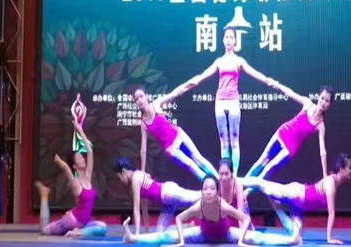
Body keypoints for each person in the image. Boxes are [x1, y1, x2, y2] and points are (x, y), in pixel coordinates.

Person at [180, 27, 275, 175]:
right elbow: (202, 76)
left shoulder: (239, 61)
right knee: (224, 140)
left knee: (234, 140)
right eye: (226, 37)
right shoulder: (219, 62)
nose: (229, 40)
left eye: (231, 37)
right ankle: (226, 173)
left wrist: (268, 81)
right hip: (220, 101)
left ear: (235, 41)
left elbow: (254, 73)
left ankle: (234, 175)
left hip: (233, 101)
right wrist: (187, 85)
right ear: (223, 40)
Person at [122, 174, 301, 247]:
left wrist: (240, 240)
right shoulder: (199, 205)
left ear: (217, 192)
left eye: (212, 188)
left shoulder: (222, 205)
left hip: (227, 235)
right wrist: (182, 240)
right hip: (201, 235)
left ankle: (291, 240)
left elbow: (245, 219)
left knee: (258, 238)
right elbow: (179, 219)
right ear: (202, 191)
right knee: (164, 237)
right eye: (205, 188)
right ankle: (132, 238)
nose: (208, 191)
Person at [241, 152, 351, 244]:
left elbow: (323, 155)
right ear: (341, 169)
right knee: (263, 185)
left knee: (296, 239)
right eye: (349, 168)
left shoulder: (334, 182)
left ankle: (274, 204)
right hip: (297, 193)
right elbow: (331, 213)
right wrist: (329, 238)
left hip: (299, 206)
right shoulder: (331, 183)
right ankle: (238, 181)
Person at [244, 84, 332, 181]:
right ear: (319, 97)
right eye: (322, 98)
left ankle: (248, 189)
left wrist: (325, 176)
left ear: (329, 105)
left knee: (269, 168)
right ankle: (240, 185)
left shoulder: (320, 125)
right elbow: (290, 93)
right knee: (263, 160)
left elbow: (323, 152)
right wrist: (277, 85)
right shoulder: (308, 103)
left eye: (327, 101)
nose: (323, 102)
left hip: (290, 147)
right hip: (283, 132)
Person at [37, 118, 107, 238]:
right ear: (75, 166)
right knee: (45, 231)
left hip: (84, 224)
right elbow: (65, 167)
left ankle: (78, 232)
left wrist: (80, 130)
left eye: (82, 157)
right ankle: (44, 195)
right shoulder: (75, 183)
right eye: (79, 158)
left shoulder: (88, 176)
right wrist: (57, 159)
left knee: (103, 227)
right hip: (71, 221)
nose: (83, 159)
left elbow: (90, 151)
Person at [134, 87, 217, 181]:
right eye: (136, 99)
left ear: (146, 96)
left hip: (178, 135)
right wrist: (143, 171)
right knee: (192, 166)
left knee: (198, 159)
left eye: (141, 96)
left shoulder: (155, 104)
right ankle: (211, 186)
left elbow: (172, 94)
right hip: (171, 148)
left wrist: (184, 88)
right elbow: (143, 149)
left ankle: (220, 180)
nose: (139, 100)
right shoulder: (143, 123)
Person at [114, 157, 201, 234]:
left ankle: (208, 190)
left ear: (123, 172)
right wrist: (147, 230)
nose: (120, 180)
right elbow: (144, 210)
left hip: (167, 192)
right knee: (160, 233)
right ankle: (188, 227)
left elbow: (136, 209)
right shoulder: (138, 176)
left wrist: (137, 233)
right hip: (166, 202)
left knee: (193, 198)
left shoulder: (135, 178)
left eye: (119, 177)